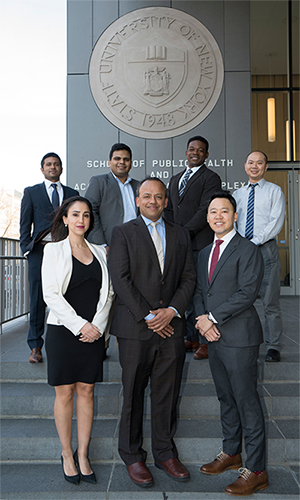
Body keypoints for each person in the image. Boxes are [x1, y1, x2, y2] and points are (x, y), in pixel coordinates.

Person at [109, 178, 195, 488]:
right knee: (132, 393)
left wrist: (170, 311)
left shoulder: (181, 234)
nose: (153, 201)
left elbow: (189, 279)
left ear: (166, 201)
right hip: (135, 328)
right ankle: (132, 455)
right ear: (137, 199)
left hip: (172, 326)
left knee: (166, 393)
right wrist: (148, 316)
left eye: (159, 197)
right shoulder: (122, 233)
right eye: (147, 196)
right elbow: (120, 279)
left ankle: (164, 452)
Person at [194, 191, 268, 497]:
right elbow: (200, 290)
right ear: (208, 217)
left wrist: (211, 317)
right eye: (213, 211)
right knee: (226, 398)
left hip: (239, 338)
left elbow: (247, 292)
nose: (218, 216)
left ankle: (258, 470)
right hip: (214, 338)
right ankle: (231, 452)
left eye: (224, 211)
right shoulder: (203, 253)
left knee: (247, 402)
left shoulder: (247, 249)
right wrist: (201, 320)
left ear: (235, 216)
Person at [41, 196, 114, 485]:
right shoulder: (53, 251)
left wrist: (95, 326)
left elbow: (108, 293)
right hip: (63, 331)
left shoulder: (100, 252)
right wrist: (80, 325)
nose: (81, 219)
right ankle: (66, 454)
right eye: (75, 214)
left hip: (93, 332)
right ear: (65, 219)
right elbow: (51, 294)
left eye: (85, 214)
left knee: (87, 390)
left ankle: (82, 453)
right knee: (65, 393)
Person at [164, 136, 221, 360]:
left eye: (200, 150)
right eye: (191, 149)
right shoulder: (175, 178)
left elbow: (205, 210)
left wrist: (183, 233)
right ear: (186, 152)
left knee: (201, 293)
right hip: (179, 245)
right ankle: (192, 336)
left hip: (199, 244)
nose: (195, 152)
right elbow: (169, 210)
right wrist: (171, 234)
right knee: (184, 293)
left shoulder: (211, 178)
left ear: (206, 155)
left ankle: (206, 340)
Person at [20, 153, 78, 363]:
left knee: (68, 296)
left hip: (65, 251)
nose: (52, 167)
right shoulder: (31, 192)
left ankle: (69, 342)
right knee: (37, 300)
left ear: (61, 169)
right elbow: (24, 224)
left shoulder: (72, 193)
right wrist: (26, 249)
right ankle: (35, 345)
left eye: (56, 164)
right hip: (40, 253)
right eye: (48, 164)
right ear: (42, 169)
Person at [233, 151, 285, 362]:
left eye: (259, 163)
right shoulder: (237, 194)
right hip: (242, 251)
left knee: (270, 301)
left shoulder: (275, 191)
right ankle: (241, 341)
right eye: (251, 163)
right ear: (245, 166)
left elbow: (276, 222)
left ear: (265, 167)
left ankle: (273, 346)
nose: (255, 166)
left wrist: (254, 241)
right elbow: (232, 222)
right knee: (240, 299)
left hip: (265, 249)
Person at [85, 143, 139, 248]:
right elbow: (90, 213)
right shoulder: (99, 182)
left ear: (131, 164)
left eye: (126, 159)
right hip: (109, 244)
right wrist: (102, 245)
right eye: (117, 158)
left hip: (136, 243)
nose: (122, 162)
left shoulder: (139, 186)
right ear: (110, 163)